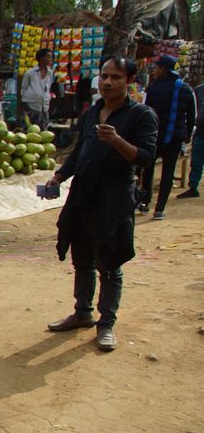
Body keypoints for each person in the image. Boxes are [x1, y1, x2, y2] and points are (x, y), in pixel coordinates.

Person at [41, 55, 157, 352]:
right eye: (104, 76)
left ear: (130, 81)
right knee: (82, 259)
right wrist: (60, 175)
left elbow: (145, 157)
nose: (107, 82)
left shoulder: (141, 115)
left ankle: (106, 322)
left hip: (115, 197)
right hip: (84, 194)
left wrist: (117, 141)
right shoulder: (92, 113)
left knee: (110, 261)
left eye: (116, 77)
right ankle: (82, 313)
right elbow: (80, 150)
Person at [140, 55, 197, 219]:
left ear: (163, 70)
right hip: (175, 137)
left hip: (154, 137)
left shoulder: (151, 90)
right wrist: (186, 137)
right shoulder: (186, 89)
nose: (155, 71)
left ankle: (145, 203)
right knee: (168, 173)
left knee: (148, 170)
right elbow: (191, 117)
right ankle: (159, 209)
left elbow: (144, 113)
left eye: (156, 68)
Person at [177, 75, 204, 199]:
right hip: (200, 132)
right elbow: (193, 111)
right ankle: (193, 187)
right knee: (196, 160)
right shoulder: (198, 90)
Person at [21, 48, 57, 130]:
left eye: (50, 58)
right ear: (41, 58)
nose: (50, 60)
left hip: (44, 104)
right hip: (31, 104)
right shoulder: (30, 73)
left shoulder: (50, 73)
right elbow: (24, 88)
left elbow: (48, 86)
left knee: (43, 128)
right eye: (48, 57)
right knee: (28, 127)